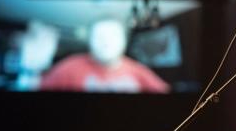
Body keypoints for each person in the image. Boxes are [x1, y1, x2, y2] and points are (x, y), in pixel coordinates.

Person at [39, 18, 170, 93]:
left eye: (113, 36)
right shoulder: (68, 67)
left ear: (124, 41)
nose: (106, 42)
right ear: (90, 42)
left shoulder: (139, 71)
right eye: (99, 37)